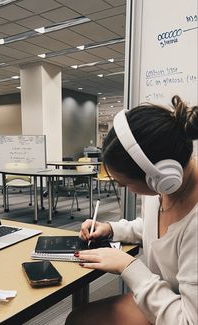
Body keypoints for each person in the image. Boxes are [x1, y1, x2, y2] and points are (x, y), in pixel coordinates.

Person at [65, 95, 198, 325]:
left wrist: (129, 267)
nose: (119, 187)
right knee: (79, 319)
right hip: (169, 297)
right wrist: (110, 228)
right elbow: (157, 230)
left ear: (160, 176)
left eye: (123, 183)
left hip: (182, 313)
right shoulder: (165, 188)